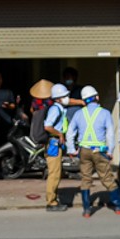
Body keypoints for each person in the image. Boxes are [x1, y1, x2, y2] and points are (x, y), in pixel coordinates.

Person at [70, 85, 120, 217]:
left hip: (84, 150)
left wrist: (71, 149)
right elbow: (110, 134)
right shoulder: (105, 113)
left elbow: (70, 133)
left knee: (86, 179)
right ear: (97, 97)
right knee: (107, 178)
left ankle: (86, 210)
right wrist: (110, 150)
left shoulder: (78, 114)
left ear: (84, 101)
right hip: (99, 150)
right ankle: (119, 206)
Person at [39, 83, 71, 211]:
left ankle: (53, 199)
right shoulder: (55, 109)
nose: (66, 98)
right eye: (64, 96)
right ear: (58, 98)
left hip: (56, 142)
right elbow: (47, 126)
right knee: (54, 174)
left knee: (56, 173)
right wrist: (59, 134)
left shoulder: (60, 108)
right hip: (53, 143)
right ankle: (51, 202)